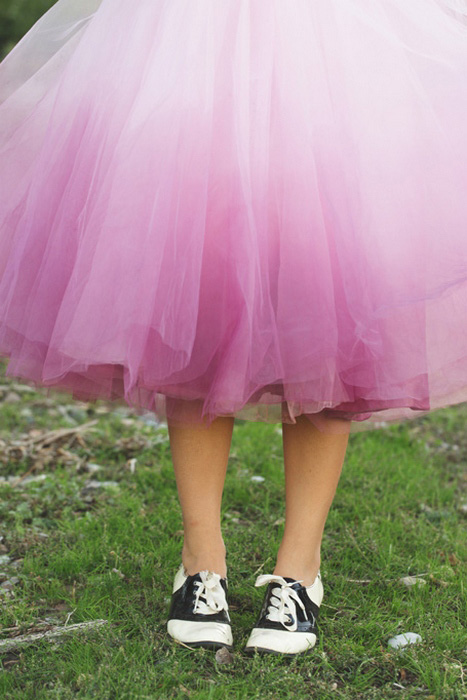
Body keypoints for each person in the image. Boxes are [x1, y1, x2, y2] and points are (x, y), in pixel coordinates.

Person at [1, 0, 467, 657]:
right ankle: (201, 558)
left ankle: (299, 568)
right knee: (198, 285)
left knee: (327, 286)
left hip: (337, 38)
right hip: (190, 34)